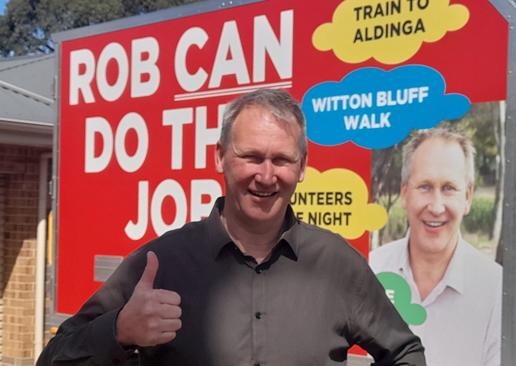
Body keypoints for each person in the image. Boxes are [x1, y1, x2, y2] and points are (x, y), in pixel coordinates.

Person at [37, 89, 425, 365]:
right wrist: (118, 330)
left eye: (282, 160)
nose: (267, 176)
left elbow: (405, 352)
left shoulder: (336, 263)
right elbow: (55, 358)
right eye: (251, 157)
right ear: (220, 157)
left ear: (303, 167)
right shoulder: (161, 263)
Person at [370, 128, 502, 366]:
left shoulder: (497, 290)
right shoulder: (370, 269)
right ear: (404, 193)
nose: (437, 206)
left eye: (449, 188)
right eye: (425, 187)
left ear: (468, 198)